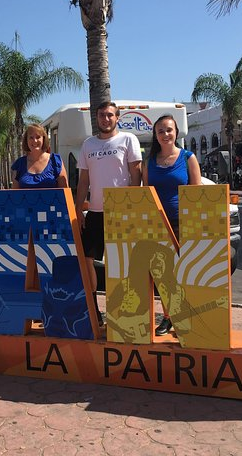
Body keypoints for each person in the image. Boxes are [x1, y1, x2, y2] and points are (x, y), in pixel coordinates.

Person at [75, 101, 143, 324]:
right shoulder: (88, 144)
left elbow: (137, 175)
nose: (105, 119)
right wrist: (78, 209)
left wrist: (132, 206)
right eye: (102, 115)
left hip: (121, 212)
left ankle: (120, 313)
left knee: (120, 264)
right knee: (86, 260)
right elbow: (83, 180)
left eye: (110, 115)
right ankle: (94, 309)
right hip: (95, 212)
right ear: (97, 118)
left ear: (117, 117)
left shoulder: (128, 139)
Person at [142, 114, 202, 336]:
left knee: (186, 271)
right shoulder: (148, 162)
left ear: (176, 132)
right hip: (158, 224)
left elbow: (197, 192)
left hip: (183, 222)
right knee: (165, 274)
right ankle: (168, 317)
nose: (165, 134)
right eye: (160, 131)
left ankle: (188, 317)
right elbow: (145, 193)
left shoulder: (188, 158)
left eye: (169, 130)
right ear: (155, 136)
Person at [11, 124, 68, 189]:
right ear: (26, 140)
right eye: (31, 137)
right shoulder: (19, 164)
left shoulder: (56, 161)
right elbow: (14, 195)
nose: (35, 140)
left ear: (43, 139)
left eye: (38, 137)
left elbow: (65, 193)